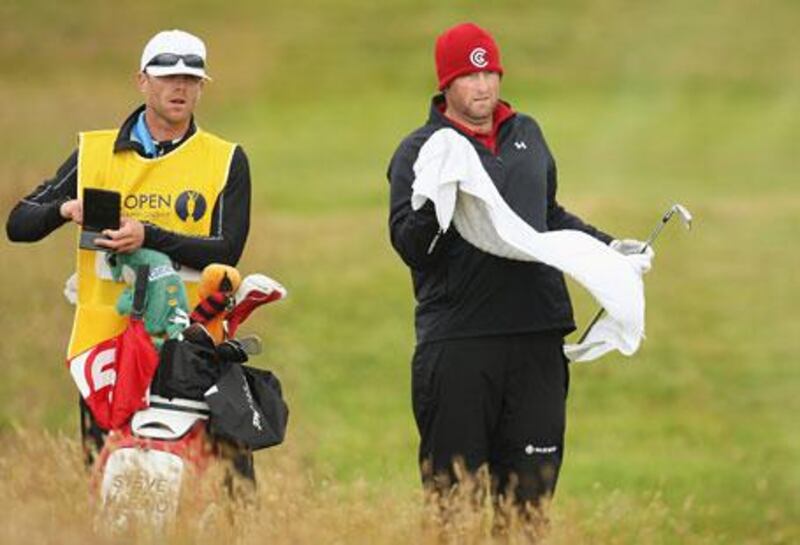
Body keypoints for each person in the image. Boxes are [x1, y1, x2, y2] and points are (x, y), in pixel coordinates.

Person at [387, 23, 651, 516]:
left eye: (491, 74)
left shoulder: (527, 132)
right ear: (447, 83)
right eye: (469, 76)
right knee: (454, 507)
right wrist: (434, 202)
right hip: (460, 344)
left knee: (529, 505)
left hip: (536, 338)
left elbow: (547, 217)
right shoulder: (422, 151)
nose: (483, 87)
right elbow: (410, 246)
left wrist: (611, 249)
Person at [6, 29, 252, 474]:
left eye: (191, 79)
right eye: (167, 76)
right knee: (105, 477)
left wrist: (148, 236)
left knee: (211, 480)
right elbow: (19, 225)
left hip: (191, 343)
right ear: (142, 81)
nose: (180, 87)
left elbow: (227, 250)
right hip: (105, 345)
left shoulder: (226, 158)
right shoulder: (94, 152)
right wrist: (66, 208)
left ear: (202, 87)